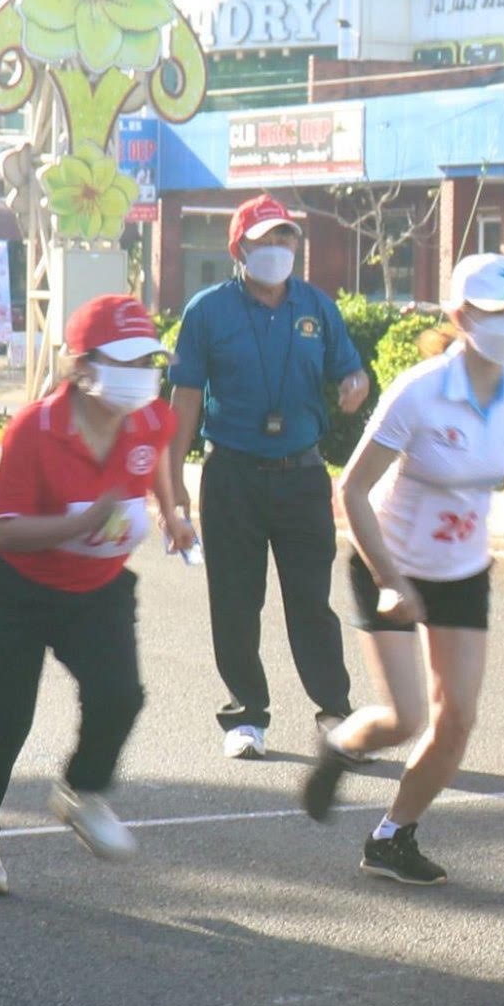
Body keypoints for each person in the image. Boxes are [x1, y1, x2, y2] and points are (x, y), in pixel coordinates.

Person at [304, 254, 504, 883]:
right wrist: (390, 580)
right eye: (498, 312)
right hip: (389, 562)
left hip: (462, 571)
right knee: (405, 719)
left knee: (457, 719)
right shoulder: (419, 391)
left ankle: (392, 837)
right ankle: (341, 745)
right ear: (461, 317)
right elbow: (352, 489)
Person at [0, 293, 193, 897]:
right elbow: (4, 530)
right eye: (127, 361)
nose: (143, 375)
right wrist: (80, 523)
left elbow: (158, 458)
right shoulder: (34, 431)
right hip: (12, 592)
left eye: (149, 361)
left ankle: (81, 790)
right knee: (2, 727)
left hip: (98, 588)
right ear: (83, 367)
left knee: (120, 696)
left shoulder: (151, 418)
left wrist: (172, 512)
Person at [167, 194, 376, 762]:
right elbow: (185, 398)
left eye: (287, 238)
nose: (279, 249)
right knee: (236, 602)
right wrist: (174, 481)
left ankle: (335, 713)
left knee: (311, 602)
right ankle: (246, 715)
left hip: (301, 475)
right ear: (239, 248)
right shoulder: (208, 311)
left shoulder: (316, 307)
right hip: (231, 474)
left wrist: (355, 385)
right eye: (267, 240)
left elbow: (350, 371)